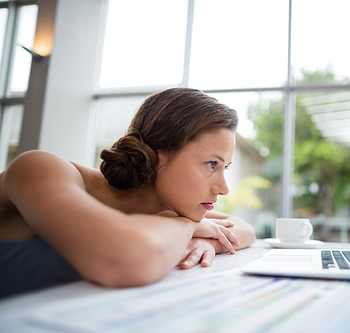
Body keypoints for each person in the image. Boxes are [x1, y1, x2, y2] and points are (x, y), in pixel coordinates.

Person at [0, 87, 256, 297]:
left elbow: (243, 229)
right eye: (212, 164)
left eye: (225, 167)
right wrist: (187, 228)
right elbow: (129, 261)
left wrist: (205, 241)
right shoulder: (37, 169)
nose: (223, 188)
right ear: (159, 156)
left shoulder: (168, 207)